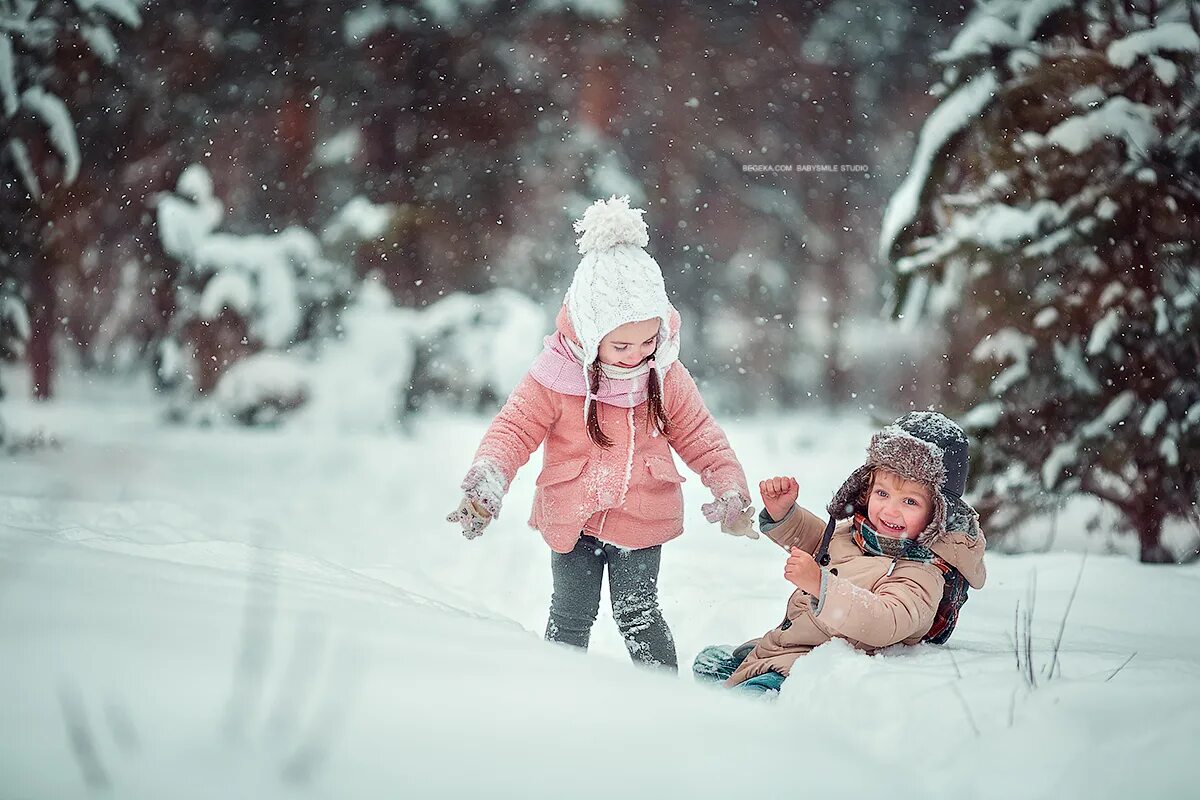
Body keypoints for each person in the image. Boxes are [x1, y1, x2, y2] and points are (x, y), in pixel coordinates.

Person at [448, 195, 756, 671]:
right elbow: (514, 429)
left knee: (638, 614)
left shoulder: (666, 376)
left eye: (648, 340)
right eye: (620, 344)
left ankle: (660, 694)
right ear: (590, 333)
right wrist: (488, 479)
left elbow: (700, 435)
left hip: (642, 515)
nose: (636, 355)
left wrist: (729, 487)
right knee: (570, 614)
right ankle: (561, 691)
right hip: (572, 516)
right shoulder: (555, 375)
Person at [693, 411, 987, 693]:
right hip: (797, 642)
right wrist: (785, 515)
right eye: (882, 494)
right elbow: (822, 542)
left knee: (742, 707)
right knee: (706, 664)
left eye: (909, 501)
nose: (890, 510)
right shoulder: (861, 531)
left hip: (816, 664)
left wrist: (821, 587)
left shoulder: (922, 569)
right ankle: (758, 661)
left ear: (937, 512)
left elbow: (887, 620)